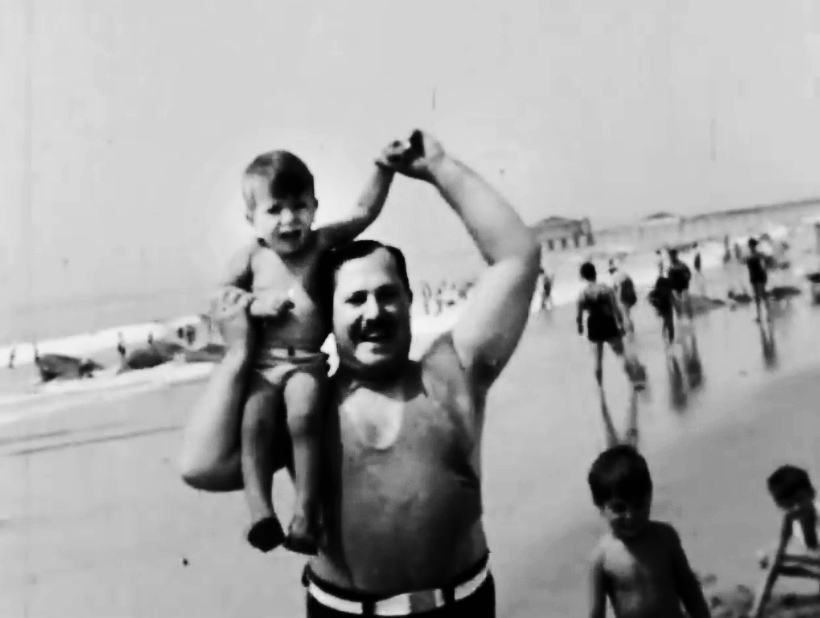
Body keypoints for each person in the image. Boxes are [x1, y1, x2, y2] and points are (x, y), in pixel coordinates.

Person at [180, 130, 540, 617]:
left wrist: (440, 168)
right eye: (354, 299)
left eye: (387, 294)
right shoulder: (305, 406)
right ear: (328, 314)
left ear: (410, 301)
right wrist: (238, 355)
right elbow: (200, 466)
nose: (374, 311)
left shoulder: (452, 375)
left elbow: (517, 258)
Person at [218, 147, 396, 554]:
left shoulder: (321, 243)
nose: (289, 219)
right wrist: (254, 304)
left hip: (307, 363)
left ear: (315, 207)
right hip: (263, 366)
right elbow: (219, 295)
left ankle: (304, 514)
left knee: (304, 420)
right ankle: (261, 514)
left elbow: (364, 212)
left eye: (299, 206)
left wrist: (382, 169)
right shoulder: (251, 257)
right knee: (253, 427)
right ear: (251, 219)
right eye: (274, 209)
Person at [586, 445, 712, 618]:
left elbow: (689, 588)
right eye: (619, 508)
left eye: (638, 505)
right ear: (600, 506)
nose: (630, 515)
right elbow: (596, 612)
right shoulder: (602, 558)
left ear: (650, 495)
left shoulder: (665, 537)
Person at [751, 465, 820, 618]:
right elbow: (779, 554)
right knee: (768, 556)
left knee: (773, 556)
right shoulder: (791, 519)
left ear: (811, 493)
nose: (796, 508)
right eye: (789, 505)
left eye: (799, 501)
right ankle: (757, 610)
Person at [577, 262, 644, 391]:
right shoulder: (606, 289)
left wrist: (580, 328)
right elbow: (615, 309)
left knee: (598, 360)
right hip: (608, 323)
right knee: (621, 354)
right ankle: (633, 382)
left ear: (583, 276)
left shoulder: (583, 293)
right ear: (595, 273)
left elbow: (579, 315)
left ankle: (600, 389)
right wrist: (621, 324)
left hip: (594, 326)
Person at [746, 238, 771, 323]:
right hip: (754, 277)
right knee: (757, 297)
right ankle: (759, 316)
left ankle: (768, 315)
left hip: (760, 276)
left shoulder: (758, 255)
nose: (750, 247)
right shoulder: (751, 256)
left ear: (753, 246)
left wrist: (765, 269)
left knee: (762, 295)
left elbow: (767, 260)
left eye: (750, 245)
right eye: (749, 245)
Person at [608, 260, 637, 334]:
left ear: (611, 271)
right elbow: (632, 285)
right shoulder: (624, 274)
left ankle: (629, 332)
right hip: (631, 294)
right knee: (627, 314)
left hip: (623, 293)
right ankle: (631, 331)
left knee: (625, 314)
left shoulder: (614, 276)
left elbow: (614, 290)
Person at [667, 249, 692, 319]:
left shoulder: (680, 265)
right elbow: (688, 275)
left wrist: (686, 278)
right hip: (678, 286)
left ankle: (686, 313)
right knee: (679, 300)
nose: (671, 258)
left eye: (672, 256)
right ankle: (682, 313)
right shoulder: (673, 267)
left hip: (681, 285)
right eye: (670, 256)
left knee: (683, 300)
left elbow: (688, 274)